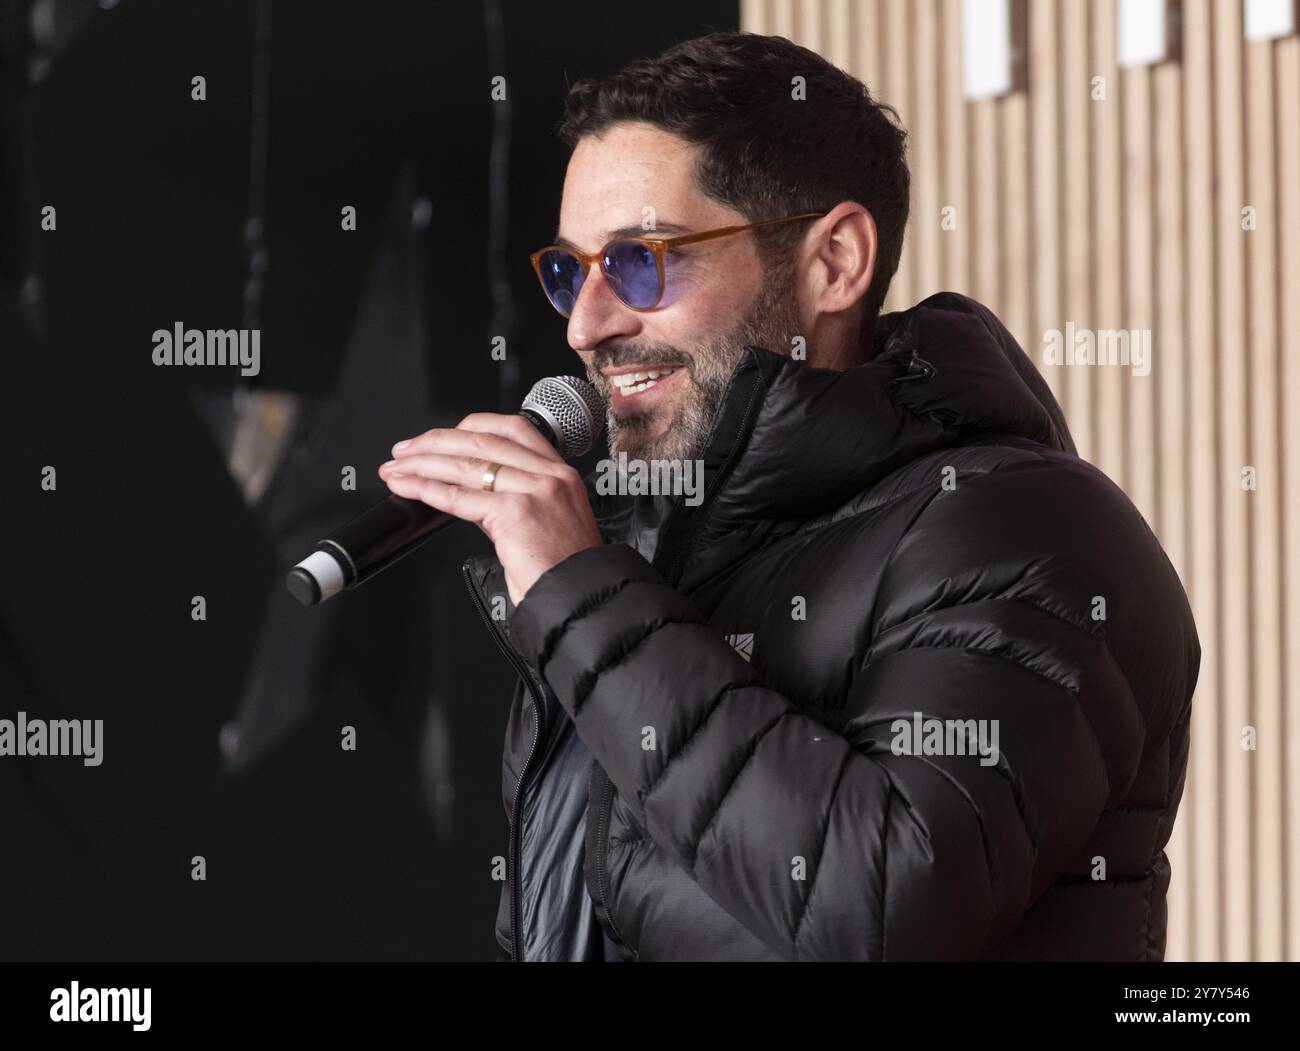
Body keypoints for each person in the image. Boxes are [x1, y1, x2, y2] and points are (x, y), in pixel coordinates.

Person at [378, 31, 1199, 961]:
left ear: (835, 263)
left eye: (641, 260)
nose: (585, 325)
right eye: (570, 273)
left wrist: (582, 600)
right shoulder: (642, 565)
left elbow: (883, 905)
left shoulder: (1030, 529)